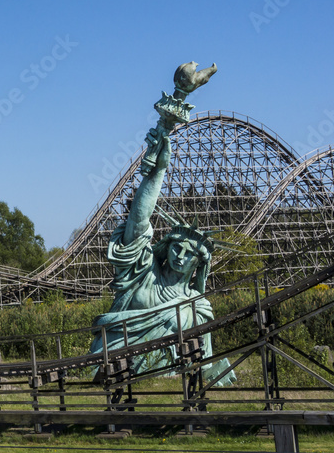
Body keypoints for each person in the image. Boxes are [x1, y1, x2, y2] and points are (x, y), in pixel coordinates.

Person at [90, 129, 236, 386]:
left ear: (199, 263)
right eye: (176, 248)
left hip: (164, 378)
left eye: (189, 253)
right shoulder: (145, 274)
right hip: (109, 365)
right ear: (166, 247)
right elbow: (137, 222)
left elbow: (205, 356)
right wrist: (158, 172)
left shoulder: (197, 306)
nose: (180, 256)